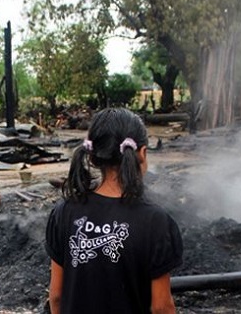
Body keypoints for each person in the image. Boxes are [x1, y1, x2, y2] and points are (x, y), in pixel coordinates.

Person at [46, 108, 183, 314]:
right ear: (142, 154)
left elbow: (56, 296)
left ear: (92, 157)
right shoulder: (155, 222)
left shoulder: (64, 212)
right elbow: (162, 307)